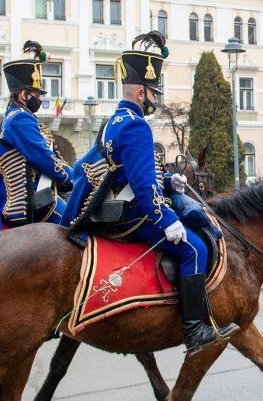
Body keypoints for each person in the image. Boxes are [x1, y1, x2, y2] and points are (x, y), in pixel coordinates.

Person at [63, 32, 238, 354]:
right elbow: (143, 189)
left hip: (118, 205)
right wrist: (168, 220)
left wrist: (169, 181)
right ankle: (194, 329)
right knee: (195, 248)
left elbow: (127, 171)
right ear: (141, 92)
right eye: (154, 94)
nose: (156, 100)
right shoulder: (136, 126)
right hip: (133, 213)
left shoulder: (114, 121)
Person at [0, 41, 73, 236]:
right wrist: (74, 178)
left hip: (40, 192)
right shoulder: (20, 119)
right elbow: (43, 157)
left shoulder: (18, 117)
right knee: (75, 228)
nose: (40, 98)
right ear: (24, 96)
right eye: (36, 94)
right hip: (30, 200)